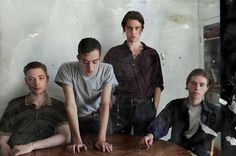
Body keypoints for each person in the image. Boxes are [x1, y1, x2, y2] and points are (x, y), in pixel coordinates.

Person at [103, 10, 164, 135]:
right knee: (120, 145)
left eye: (137, 28)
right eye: (129, 28)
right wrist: (110, 108)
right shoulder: (113, 53)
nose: (133, 32)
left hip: (145, 107)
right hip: (121, 107)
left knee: (143, 146)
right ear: (124, 29)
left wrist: (154, 108)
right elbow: (105, 83)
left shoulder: (151, 54)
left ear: (142, 28)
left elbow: (158, 83)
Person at [54, 37, 118, 153]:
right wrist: (77, 139)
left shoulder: (107, 69)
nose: (90, 68)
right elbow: (70, 104)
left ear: (100, 57)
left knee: (103, 150)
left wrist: (102, 139)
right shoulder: (67, 69)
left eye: (95, 62)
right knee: (77, 150)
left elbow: (104, 103)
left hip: (100, 118)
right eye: (85, 62)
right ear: (78, 58)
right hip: (76, 119)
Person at [140, 68, 222, 156]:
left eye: (201, 85)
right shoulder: (175, 105)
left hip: (200, 153)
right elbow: (161, 123)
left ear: (207, 88)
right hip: (176, 150)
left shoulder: (215, 111)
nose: (197, 88)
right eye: (193, 83)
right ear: (187, 85)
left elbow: (230, 130)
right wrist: (150, 135)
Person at [0, 61, 70, 156]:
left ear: (47, 79)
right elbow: (2, 141)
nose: (36, 83)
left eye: (41, 78)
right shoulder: (14, 105)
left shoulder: (58, 106)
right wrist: (5, 151)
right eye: (31, 79)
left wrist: (31, 146)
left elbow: (66, 137)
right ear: (26, 81)